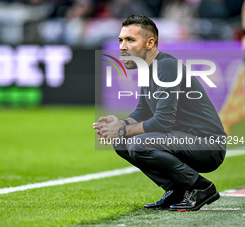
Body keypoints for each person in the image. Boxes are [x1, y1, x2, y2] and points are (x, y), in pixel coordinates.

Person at [93, 14, 227, 211]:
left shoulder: (166, 66)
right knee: (121, 142)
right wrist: (119, 125)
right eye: (121, 40)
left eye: (130, 40)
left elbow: (162, 122)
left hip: (207, 145)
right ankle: (177, 190)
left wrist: (122, 130)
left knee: (139, 143)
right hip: (185, 140)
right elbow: (143, 111)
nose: (122, 46)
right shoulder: (149, 70)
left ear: (150, 43)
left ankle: (200, 187)